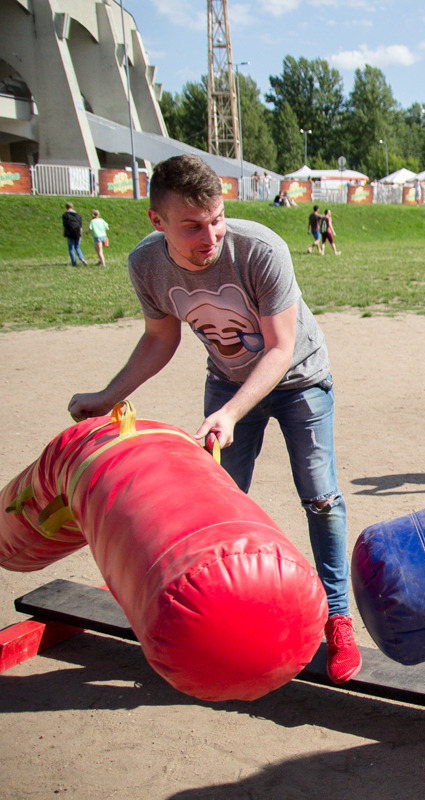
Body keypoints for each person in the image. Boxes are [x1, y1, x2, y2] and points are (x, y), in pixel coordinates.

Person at [66, 155, 361, 684]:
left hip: (300, 379)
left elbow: (279, 348)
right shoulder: (146, 265)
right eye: (193, 226)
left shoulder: (260, 249)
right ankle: (231, 622)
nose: (211, 235)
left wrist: (228, 413)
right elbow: (162, 338)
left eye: (217, 218)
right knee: (217, 501)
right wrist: (108, 395)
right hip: (227, 381)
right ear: (158, 222)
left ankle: (338, 618)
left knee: (320, 496)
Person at [62, 202, 86, 266]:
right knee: (77, 247)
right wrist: (80, 234)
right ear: (72, 207)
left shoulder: (65, 215)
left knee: (71, 248)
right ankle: (82, 258)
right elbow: (80, 226)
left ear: (66, 207)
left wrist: (64, 233)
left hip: (70, 233)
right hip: (77, 232)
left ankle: (74, 263)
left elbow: (64, 225)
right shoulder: (78, 215)